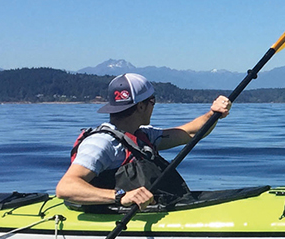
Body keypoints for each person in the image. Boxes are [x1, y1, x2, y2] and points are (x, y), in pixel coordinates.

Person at [55, 72, 232, 208]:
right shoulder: (101, 143)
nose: (153, 106)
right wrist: (120, 197)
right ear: (141, 106)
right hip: (113, 214)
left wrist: (213, 114)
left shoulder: (144, 137)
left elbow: (191, 133)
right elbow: (65, 188)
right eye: (152, 101)